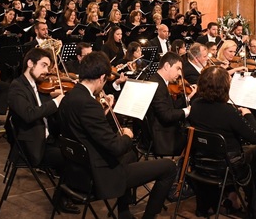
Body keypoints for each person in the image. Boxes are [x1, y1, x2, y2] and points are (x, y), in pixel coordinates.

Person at [58, 51, 176, 219]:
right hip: (99, 175)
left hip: (75, 170)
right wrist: (127, 135)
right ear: (100, 78)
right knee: (169, 167)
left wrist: (103, 113)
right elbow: (116, 147)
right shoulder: (88, 104)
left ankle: (124, 211)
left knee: (131, 153)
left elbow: (84, 130)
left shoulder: (69, 97)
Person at [188, 66, 256, 218]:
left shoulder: (194, 106)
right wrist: (247, 114)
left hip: (202, 163)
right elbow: (255, 137)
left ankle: (232, 197)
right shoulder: (228, 112)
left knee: (255, 153)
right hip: (226, 168)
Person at [6, 47, 80, 214]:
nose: (47, 71)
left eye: (48, 67)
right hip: (31, 146)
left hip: (47, 138)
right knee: (72, 156)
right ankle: (61, 197)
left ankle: (70, 189)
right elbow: (29, 114)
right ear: (30, 63)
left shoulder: (39, 86)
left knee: (78, 146)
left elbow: (45, 111)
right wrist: (55, 103)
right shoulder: (17, 87)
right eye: (44, 65)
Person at [144, 52, 191, 156]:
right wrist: (186, 111)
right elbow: (166, 115)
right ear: (166, 66)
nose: (180, 73)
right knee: (193, 138)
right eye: (178, 68)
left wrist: (187, 98)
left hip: (162, 131)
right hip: (163, 137)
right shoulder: (157, 85)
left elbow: (170, 106)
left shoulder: (159, 81)